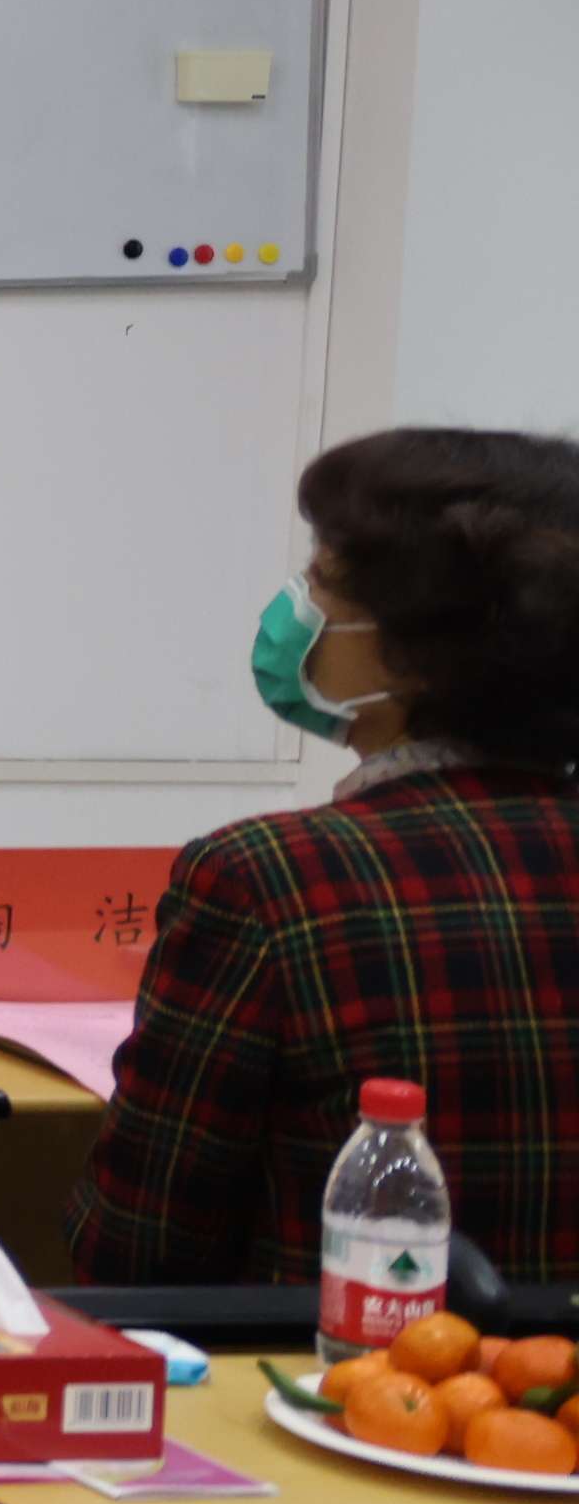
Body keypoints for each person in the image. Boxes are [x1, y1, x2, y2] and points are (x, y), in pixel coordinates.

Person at [72, 425, 579, 1285]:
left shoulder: (268, 880)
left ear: (413, 653)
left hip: (343, 1362)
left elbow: (141, 1249)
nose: (295, 612)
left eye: (321, 584)